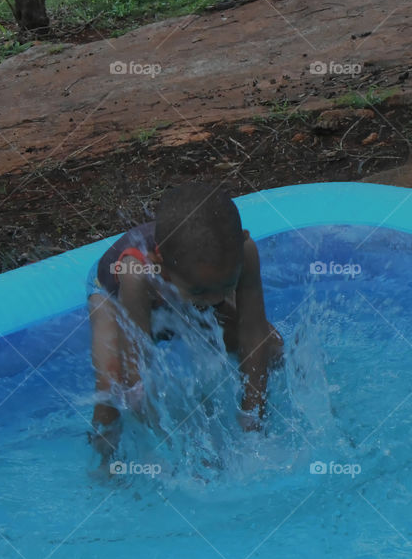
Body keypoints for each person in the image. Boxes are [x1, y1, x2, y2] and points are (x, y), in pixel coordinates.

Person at [86, 183, 283, 462]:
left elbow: (253, 332)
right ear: (160, 264)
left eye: (228, 285)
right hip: (115, 296)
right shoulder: (137, 273)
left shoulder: (244, 251)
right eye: (203, 293)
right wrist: (169, 450)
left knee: (272, 348)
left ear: (243, 240)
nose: (217, 299)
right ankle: (103, 459)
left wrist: (252, 415)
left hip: (183, 282)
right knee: (113, 383)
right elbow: (137, 372)